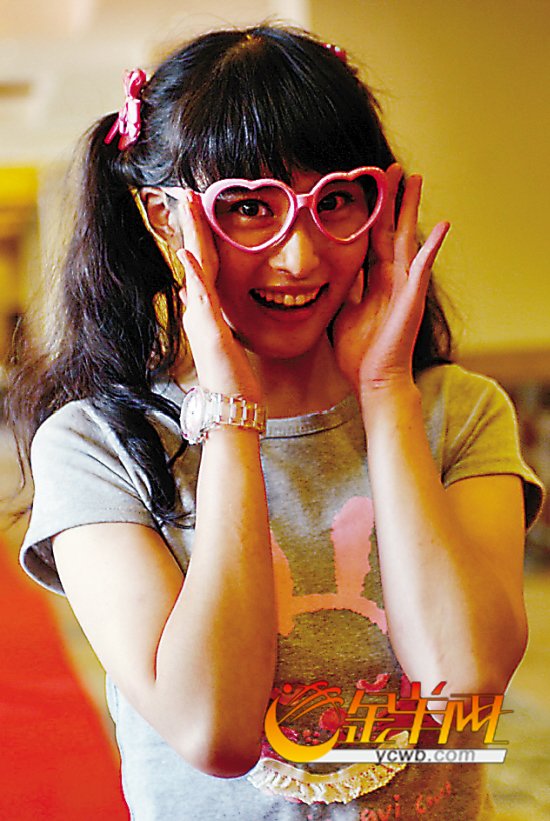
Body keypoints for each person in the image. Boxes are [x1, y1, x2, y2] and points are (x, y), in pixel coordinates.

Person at [8, 24, 543, 820]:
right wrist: (232, 418)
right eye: (249, 208)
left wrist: (386, 390)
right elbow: (214, 730)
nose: (299, 258)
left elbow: (462, 689)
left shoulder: (457, 413)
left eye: (335, 201)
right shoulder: (96, 445)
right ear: (164, 219)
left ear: (382, 205)